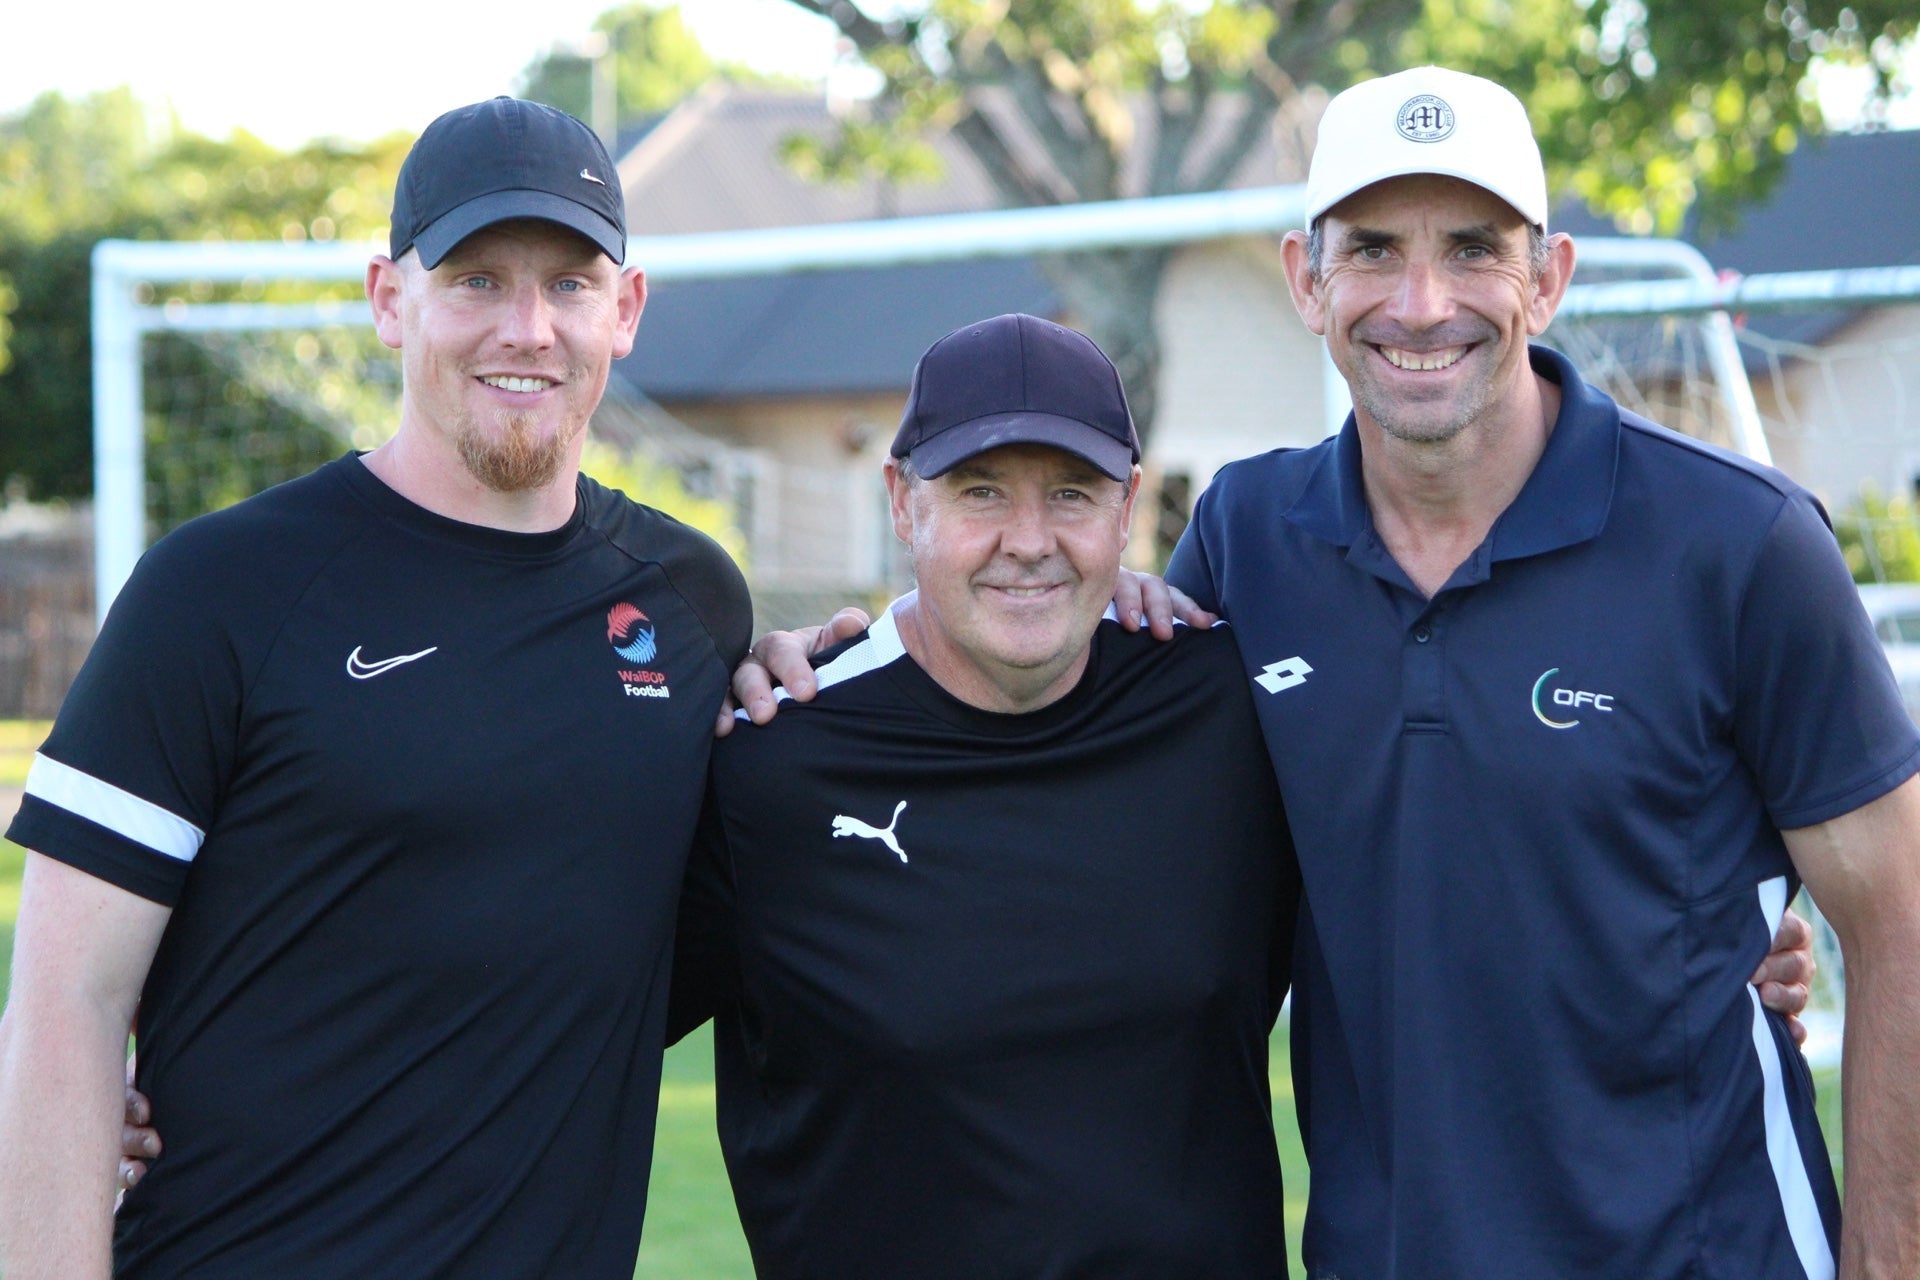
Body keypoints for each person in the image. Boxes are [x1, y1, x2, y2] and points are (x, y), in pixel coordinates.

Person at [1160, 66, 1920, 1279]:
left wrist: (1891, 1258)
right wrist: (829, 661)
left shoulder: (1739, 543)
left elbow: (1903, 913)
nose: (1421, 302)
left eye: (1473, 248)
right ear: (1307, 281)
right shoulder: (1245, 540)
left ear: (1549, 278)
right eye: (1372, 250)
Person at [0, 97, 751, 1278]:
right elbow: (63, 1002)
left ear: (628, 310)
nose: (527, 327)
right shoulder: (218, 589)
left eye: (567, 283)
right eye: (475, 279)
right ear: (389, 299)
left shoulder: (694, 604)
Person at [667, 312, 1302, 1277]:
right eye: (980, 493)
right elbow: (567, 1039)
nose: (1029, 541)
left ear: (1129, 505)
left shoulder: (1228, 710)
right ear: (899, 500)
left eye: (1072, 494)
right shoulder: (771, 762)